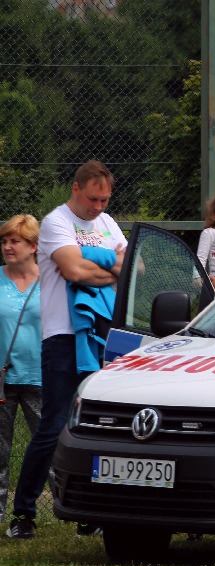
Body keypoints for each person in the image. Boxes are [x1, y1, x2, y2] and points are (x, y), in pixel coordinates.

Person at [6, 160, 126, 540]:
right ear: (75, 189)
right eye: (93, 199)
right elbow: (73, 272)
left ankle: (88, 510)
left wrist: (94, 264)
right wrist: (111, 268)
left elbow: (134, 266)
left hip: (102, 332)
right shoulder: (57, 222)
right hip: (61, 335)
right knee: (53, 425)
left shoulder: (107, 224)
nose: (99, 207)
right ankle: (23, 514)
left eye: (105, 200)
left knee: (98, 424)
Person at [0, 215, 42, 528]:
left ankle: (70, 509)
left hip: (41, 377)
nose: (7, 247)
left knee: (49, 448)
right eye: (4, 241)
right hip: (2, 381)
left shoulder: (53, 281)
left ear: (33, 246)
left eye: (15, 241)